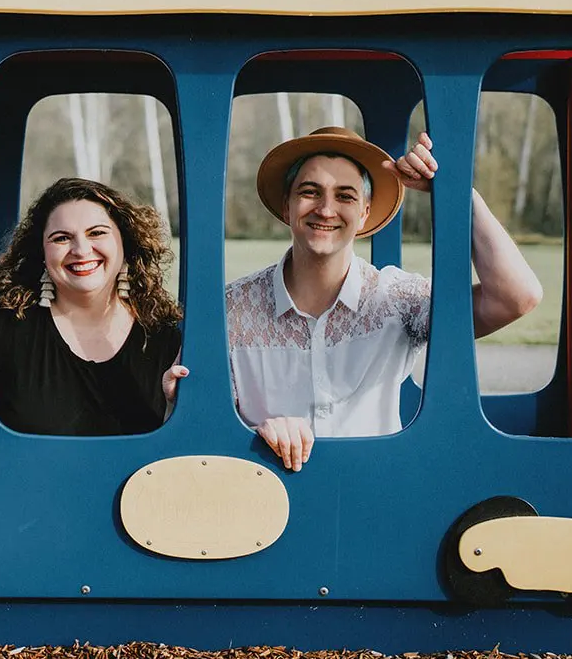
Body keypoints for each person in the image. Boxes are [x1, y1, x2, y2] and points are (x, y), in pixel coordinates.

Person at [226, 126, 542, 470]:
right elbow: (201, 422)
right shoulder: (230, 309)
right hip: (268, 504)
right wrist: (254, 434)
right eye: (310, 191)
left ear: (364, 213)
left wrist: (456, 192)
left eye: (345, 196)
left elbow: (516, 297)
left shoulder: (396, 299)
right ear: (287, 208)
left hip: (377, 501)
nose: (326, 209)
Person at [0, 177, 188, 435]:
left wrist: (175, 409)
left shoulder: (167, 338)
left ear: (125, 242)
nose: (81, 250)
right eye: (61, 238)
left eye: (97, 233)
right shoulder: (0, 325)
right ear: (42, 252)